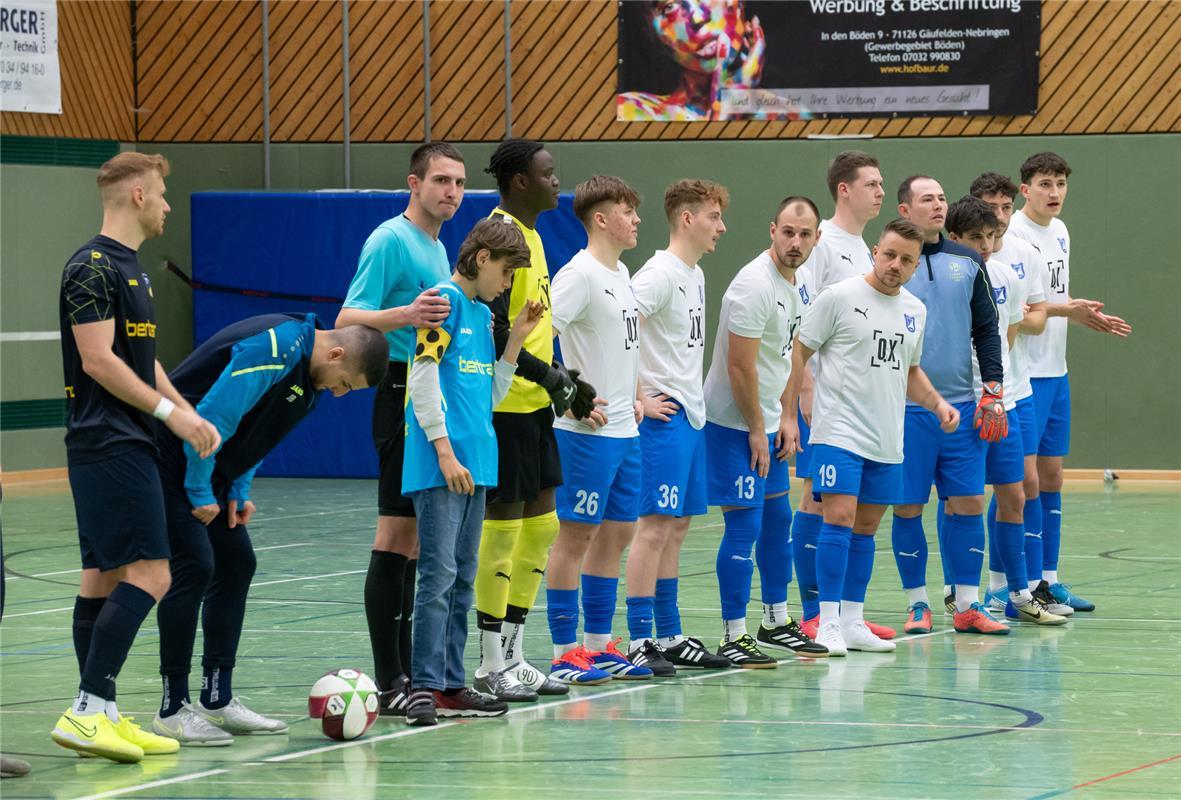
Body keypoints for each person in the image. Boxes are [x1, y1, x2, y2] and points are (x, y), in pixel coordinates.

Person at [152, 316, 392, 744]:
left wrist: (237, 491)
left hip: (210, 469)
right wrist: (199, 487)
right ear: (335, 354)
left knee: (237, 563)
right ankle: (172, 708)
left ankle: (216, 697)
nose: (339, 392)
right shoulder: (275, 347)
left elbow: (262, 433)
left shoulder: (311, 379)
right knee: (194, 565)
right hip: (172, 456)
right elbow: (214, 417)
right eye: (345, 383)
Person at [52, 152, 220, 763]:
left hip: (127, 440)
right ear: (138, 196)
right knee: (154, 573)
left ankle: (102, 713)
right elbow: (98, 360)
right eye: (163, 194)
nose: (170, 206)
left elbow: (141, 360)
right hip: (108, 442)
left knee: (102, 575)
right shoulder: (90, 267)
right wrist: (168, 415)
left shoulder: (135, 271)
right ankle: (89, 708)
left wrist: (185, 412)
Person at [784, 219, 958, 656]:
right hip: (838, 431)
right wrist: (791, 409)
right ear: (876, 250)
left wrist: (937, 404)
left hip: (886, 437)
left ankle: (852, 619)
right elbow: (800, 349)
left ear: (916, 266)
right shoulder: (839, 297)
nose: (895, 265)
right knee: (838, 519)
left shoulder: (915, 310)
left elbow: (911, 370)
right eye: (889, 254)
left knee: (866, 528)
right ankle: (825, 624)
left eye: (906, 260)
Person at [337, 141, 466, 715]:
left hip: (427, 390)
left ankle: (411, 673)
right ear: (414, 184)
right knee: (394, 536)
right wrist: (406, 316)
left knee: (416, 542)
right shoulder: (390, 239)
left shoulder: (439, 249)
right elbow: (347, 319)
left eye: (459, 183)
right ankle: (389, 679)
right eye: (441, 180)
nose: (452, 192)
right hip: (396, 390)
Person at [402, 219, 545, 725]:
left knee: (463, 577)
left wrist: (514, 342)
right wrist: (443, 450)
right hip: (444, 464)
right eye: (506, 273)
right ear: (482, 258)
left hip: (478, 465)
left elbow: (491, 396)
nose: (507, 285)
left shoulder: (484, 318)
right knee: (437, 575)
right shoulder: (443, 303)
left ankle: (451, 684)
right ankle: (424, 685)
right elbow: (421, 379)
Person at [473, 139, 594, 701]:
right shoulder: (498, 235)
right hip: (503, 408)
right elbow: (493, 327)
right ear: (520, 181)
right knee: (502, 532)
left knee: (543, 527)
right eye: (548, 174)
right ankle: (488, 661)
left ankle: (518, 653)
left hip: (535, 407)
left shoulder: (535, 237)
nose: (556, 182)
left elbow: (534, 326)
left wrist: (565, 378)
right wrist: (547, 377)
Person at [701, 196, 829, 668]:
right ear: (772, 230)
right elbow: (740, 367)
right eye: (788, 232)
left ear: (816, 237)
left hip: (771, 420)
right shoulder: (753, 285)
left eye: (805, 234)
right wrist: (757, 427)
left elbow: (794, 352)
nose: (795, 242)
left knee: (779, 522)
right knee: (744, 525)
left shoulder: (803, 282)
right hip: (733, 423)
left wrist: (789, 416)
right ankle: (733, 634)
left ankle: (775, 620)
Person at [1006, 152, 1131, 613]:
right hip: (1025, 374)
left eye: (1060, 183)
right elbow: (1020, 309)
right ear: (1025, 190)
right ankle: (1018, 582)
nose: (1054, 192)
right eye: (1044, 183)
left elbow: (1055, 300)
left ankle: (1050, 579)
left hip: (1056, 370)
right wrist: (1067, 311)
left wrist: (1080, 315)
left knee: (1053, 476)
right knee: (1023, 482)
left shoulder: (1060, 231)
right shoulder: (1012, 235)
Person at [888, 175, 1008, 637]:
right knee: (908, 508)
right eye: (927, 199)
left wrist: (992, 391)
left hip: (961, 407)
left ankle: (968, 604)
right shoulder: (892, 263)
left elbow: (987, 330)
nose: (938, 205)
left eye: (941, 197)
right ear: (904, 209)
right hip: (904, 411)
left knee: (969, 504)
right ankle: (918, 604)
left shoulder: (969, 261)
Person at [545, 176, 650, 684]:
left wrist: (635, 393)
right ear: (601, 219)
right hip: (584, 432)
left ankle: (598, 643)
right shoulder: (578, 275)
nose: (635, 220)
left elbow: (619, 346)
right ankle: (564, 650)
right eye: (627, 211)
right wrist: (569, 394)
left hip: (626, 431)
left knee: (618, 533)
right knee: (576, 536)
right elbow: (540, 341)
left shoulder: (622, 272)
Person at [625, 180, 732, 674]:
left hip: (690, 415)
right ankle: (638, 636)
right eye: (713, 216)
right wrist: (636, 394)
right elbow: (619, 325)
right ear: (686, 219)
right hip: (661, 417)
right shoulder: (658, 273)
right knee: (653, 527)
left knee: (679, 525)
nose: (721, 226)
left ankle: (668, 631)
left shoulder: (695, 273)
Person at [944, 197, 1067, 626]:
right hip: (961, 402)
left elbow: (1007, 334)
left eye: (992, 236)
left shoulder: (1002, 276)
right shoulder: (941, 280)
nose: (986, 245)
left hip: (1005, 402)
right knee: (964, 501)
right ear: (953, 237)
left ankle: (1017, 592)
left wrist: (998, 391)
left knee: (1015, 494)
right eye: (975, 237)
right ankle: (961, 596)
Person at [790, 151, 895, 643]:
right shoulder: (824, 244)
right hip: (827, 403)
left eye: (881, 184)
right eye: (871, 184)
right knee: (817, 505)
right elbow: (801, 318)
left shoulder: (864, 247)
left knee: (851, 510)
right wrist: (805, 389)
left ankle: (844, 615)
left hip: (864, 409)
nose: (880, 191)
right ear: (844, 189)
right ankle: (817, 613)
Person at [617, 0, 765, 121]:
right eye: (670, 6)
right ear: (654, 34)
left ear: (741, 4)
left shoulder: (782, 112)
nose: (698, 18)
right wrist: (727, 113)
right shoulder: (632, 111)